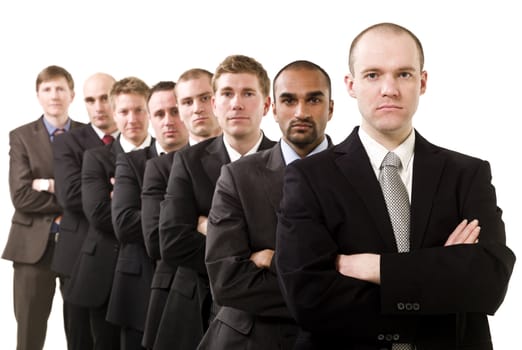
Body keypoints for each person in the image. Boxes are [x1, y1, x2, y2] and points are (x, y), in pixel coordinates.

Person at [275, 22, 516, 349]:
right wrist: (439, 275)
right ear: (351, 84)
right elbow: (309, 299)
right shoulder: (309, 178)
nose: (389, 88)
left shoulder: (467, 173)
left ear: (423, 81)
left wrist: (379, 268)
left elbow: (488, 282)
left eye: (403, 74)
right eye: (373, 75)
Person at [200, 60, 334, 350]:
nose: (301, 112)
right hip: (252, 340)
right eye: (288, 100)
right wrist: (332, 293)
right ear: (273, 108)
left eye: (313, 99)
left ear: (331, 108)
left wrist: (273, 261)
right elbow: (227, 281)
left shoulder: (360, 172)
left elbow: (373, 275)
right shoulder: (238, 176)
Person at [158, 54, 276, 349]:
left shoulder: (288, 161)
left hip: (271, 313)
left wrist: (214, 230)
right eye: (226, 93)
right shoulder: (188, 161)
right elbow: (172, 241)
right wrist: (240, 261)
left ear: (266, 105)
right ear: (215, 104)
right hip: (199, 307)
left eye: (248, 93)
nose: (236, 103)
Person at [66, 77, 153, 349]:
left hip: (148, 272)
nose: (132, 118)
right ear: (115, 114)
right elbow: (100, 215)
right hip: (102, 271)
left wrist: (125, 200)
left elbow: (176, 217)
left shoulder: (165, 157)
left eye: (139, 109)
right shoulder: (96, 157)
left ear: (149, 111)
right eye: (124, 111)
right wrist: (151, 206)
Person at [2, 65, 85, 350]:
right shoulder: (22, 136)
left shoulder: (89, 136)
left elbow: (93, 193)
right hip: (33, 248)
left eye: (60, 88)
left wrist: (48, 184)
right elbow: (21, 196)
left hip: (79, 245)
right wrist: (71, 194)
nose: (54, 95)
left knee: (82, 329)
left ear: (72, 94)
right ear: (38, 95)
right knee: (29, 331)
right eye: (47, 89)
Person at [141, 69, 221, 350]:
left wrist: (202, 225)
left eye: (205, 97)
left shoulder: (260, 157)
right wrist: (239, 251)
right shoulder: (161, 167)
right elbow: (159, 241)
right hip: (184, 297)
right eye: (187, 102)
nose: (198, 108)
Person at [110, 81, 188, 350]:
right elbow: (123, 224)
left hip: (194, 287)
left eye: (176, 111)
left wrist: (156, 213)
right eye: (159, 114)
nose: (168, 121)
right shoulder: (132, 162)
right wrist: (188, 218)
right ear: (151, 119)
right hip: (140, 286)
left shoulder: (210, 159)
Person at [51, 72, 119, 349]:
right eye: (91, 100)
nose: (99, 107)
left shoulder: (136, 140)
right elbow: (70, 195)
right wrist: (120, 194)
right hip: (77, 256)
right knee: (80, 340)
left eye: (105, 98)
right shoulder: (68, 142)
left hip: (122, 258)